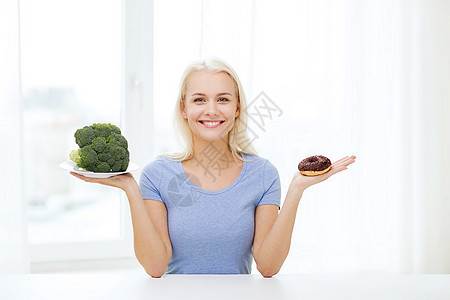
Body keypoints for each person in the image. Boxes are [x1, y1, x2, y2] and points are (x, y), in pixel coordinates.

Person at [71, 58, 356, 278]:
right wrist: (131, 190)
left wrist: (296, 189)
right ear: (184, 108)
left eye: (222, 99)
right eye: (199, 99)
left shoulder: (263, 174)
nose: (211, 110)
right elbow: (156, 267)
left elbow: (268, 266)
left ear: (237, 108)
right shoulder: (158, 174)